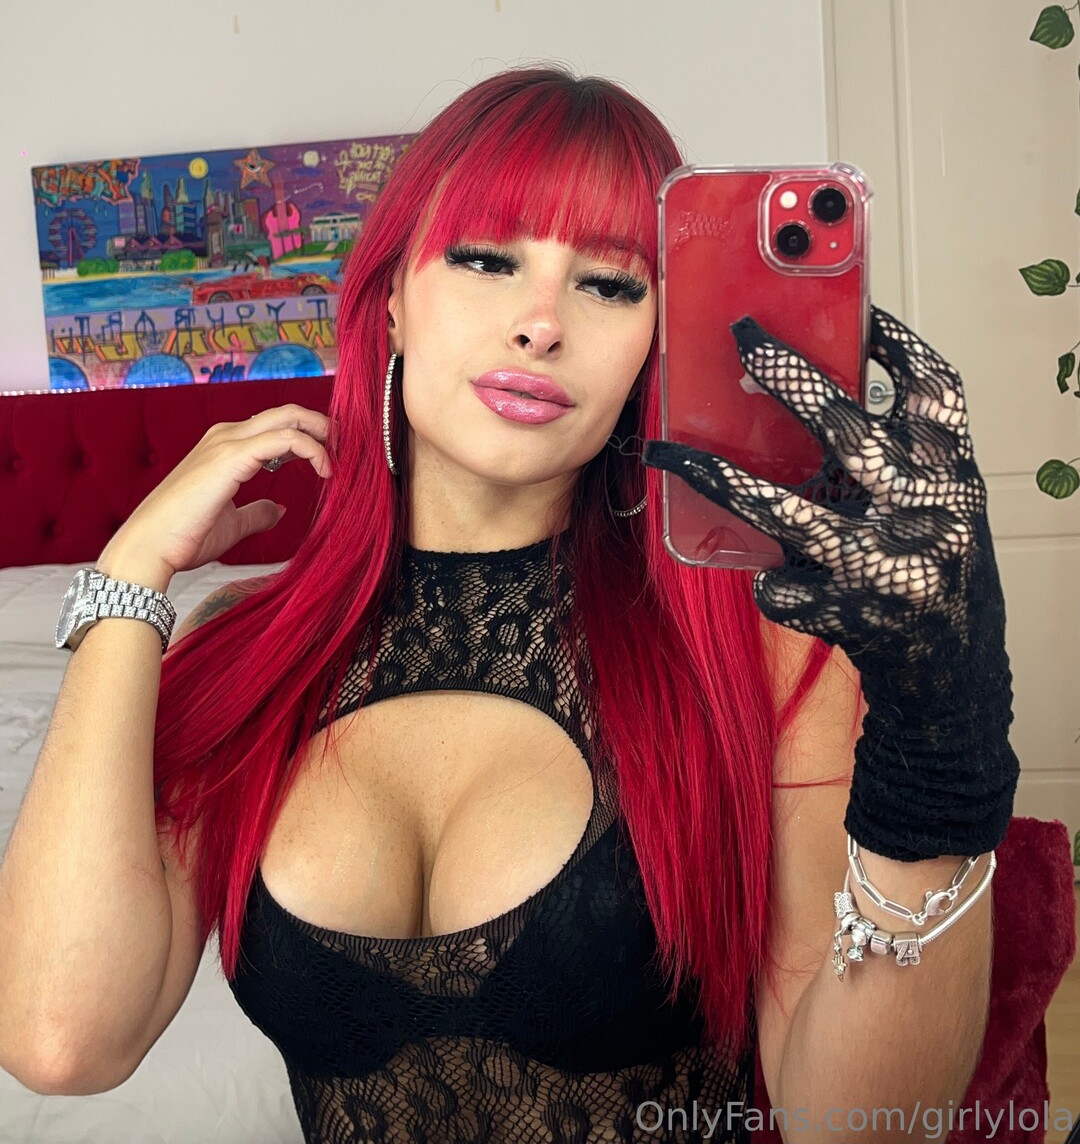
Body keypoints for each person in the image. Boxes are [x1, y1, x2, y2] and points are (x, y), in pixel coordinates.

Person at [2, 65, 1018, 1143]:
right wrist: (129, 579)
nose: (541, 323)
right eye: (487, 260)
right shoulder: (242, 652)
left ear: (660, 340)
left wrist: (939, 755)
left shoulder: (759, 648)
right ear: (392, 300)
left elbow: (850, 1125)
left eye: (610, 284)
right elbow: (61, 1040)